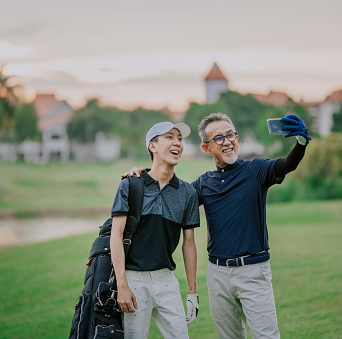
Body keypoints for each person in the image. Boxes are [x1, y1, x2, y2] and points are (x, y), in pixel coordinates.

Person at [125, 113, 310, 338]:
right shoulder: (202, 184)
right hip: (218, 275)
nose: (228, 141)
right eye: (219, 138)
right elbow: (167, 195)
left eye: (231, 135)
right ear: (206, 148)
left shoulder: (256, 170)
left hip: (253, 270)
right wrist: (140, 177)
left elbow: (287, 164)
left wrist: (300, 142)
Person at [110, 121, 200, 339]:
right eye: (169, 137)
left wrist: (192, 292)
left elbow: (189, 243)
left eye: (179, 138)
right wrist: (122, 284)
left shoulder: (187, 193)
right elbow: (116, 235)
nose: (177, 142)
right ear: (153, 146)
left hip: (166, 279)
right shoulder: (131, 184)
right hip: (134, 280)